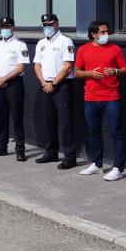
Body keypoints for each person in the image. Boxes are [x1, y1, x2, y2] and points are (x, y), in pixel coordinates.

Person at [74, 20, 126, 181]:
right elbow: (77, 72)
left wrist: (116, 71)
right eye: (103, 32)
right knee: (93, 131)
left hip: (111, 97)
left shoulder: (115, 49)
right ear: (94, 34)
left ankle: (118, 168)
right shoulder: (83, 50)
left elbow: (125, 69)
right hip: (90, 98)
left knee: (116, 133)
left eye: (107, 31)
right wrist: (90, 73)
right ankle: (97, 164)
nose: (106, 35)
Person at [32, 13, 77, 169]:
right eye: (44, 25)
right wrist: (44, 82)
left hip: (61, 86)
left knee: (65, 122)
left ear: (57, 24)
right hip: (46, 85)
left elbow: (68, 65)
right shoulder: (40, 43)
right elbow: (37, 65)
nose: (47, 27)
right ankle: (51, 152)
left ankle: (70, 157)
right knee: (48, 120)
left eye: (50, 24)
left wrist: (54, 82)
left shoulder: (65, 41)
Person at [0, 17, 30, 161]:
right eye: (3, 27)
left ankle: (20, 149)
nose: (5, 29)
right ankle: (1, 146)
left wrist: (4, 79)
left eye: (8, 26)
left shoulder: (20, 44)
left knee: (17, 117)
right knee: (1, 117)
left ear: (13, 28)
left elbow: (21, 66)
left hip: (14, 84)